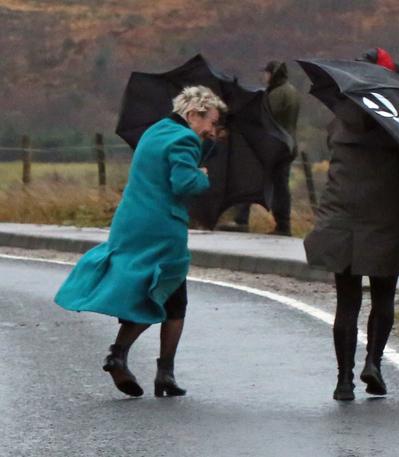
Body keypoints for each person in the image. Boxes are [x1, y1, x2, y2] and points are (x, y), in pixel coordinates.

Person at [55, 86, 228, 397]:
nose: (211, 130)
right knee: (170, 298)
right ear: (192, 115)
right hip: (161, 226)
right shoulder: (185, 138)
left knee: (143, 288)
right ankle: (155, 370)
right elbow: (183, 183)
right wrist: (202, 173)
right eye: (210, 122)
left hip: (130, 222)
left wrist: (204, 150)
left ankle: (126, 359)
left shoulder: (154, 132)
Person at [303, 48, 399, 401]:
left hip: (342, 219)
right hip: (386, 218)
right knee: (383, 298)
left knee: (346, 303)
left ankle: (343, 381)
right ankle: (374, 363)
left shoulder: (339, 118)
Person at [232, 60, 301, 235]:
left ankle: (242, 221)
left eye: (266, 73)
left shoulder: (278, 93)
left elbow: (266, 119)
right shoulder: (289, 91)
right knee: (280, 186)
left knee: (251, 178)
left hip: (274, 147)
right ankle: (283, 224)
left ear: (273, 74)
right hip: (286, 145)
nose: (264, 76)